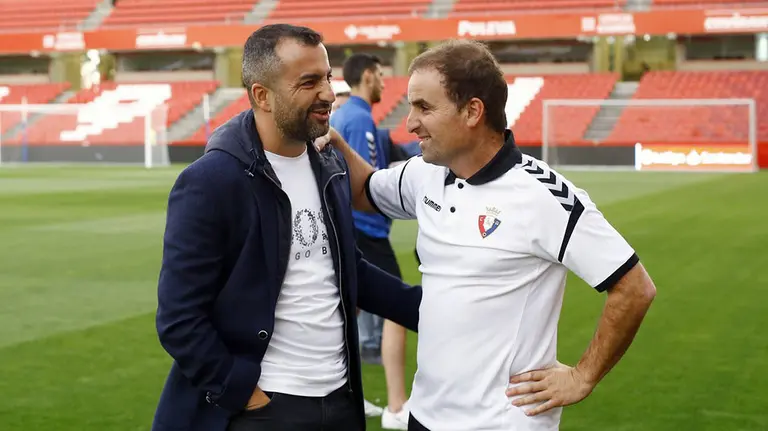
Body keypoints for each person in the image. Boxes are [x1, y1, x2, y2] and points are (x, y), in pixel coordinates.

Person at [316, 39, 656, 431]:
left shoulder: (543, 195)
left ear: (472, 111)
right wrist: (337, 144)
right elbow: (364, 190)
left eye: (424, 107)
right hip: (425, 415)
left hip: (500, 422)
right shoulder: (425, 173)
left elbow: (634, 288)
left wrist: (583, 376)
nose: (409, 123)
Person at [151, 24, 422, 431]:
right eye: (309, 82)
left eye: (328, 77)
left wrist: (435, 311)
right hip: (266, 409)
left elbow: (347, 270)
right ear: (262, 95)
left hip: (340, 401)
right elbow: (178, 317)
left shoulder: (328, 165)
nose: (329, 93)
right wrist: (244, 392)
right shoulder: (211, 181)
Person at [329, 53, 411, 430]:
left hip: (351, 228)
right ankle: (397, 407)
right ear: (366, 77)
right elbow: (364, 184)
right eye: (380, 75)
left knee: (347, 312)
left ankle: (344, 395)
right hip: (365, 231)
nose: (383, 82)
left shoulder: (345, 115)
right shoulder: (359, 118)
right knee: (399, 308)